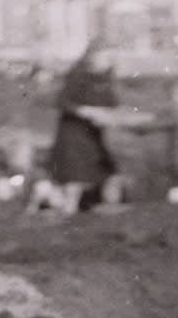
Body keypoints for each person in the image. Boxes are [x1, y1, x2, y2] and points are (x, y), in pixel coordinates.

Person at [46, 41, 124, 214]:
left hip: (94, 133)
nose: (110, 61)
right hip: (73, 133)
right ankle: (68, 212)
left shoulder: (106, 78)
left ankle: (110, 211)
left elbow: (112, 102)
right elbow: (62, 102)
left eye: (112, 57)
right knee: (75, 175)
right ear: (93, 57)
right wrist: (87, 110)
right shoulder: (77, 75)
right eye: (107, 57)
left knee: (109, 172)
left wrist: (109, 113)